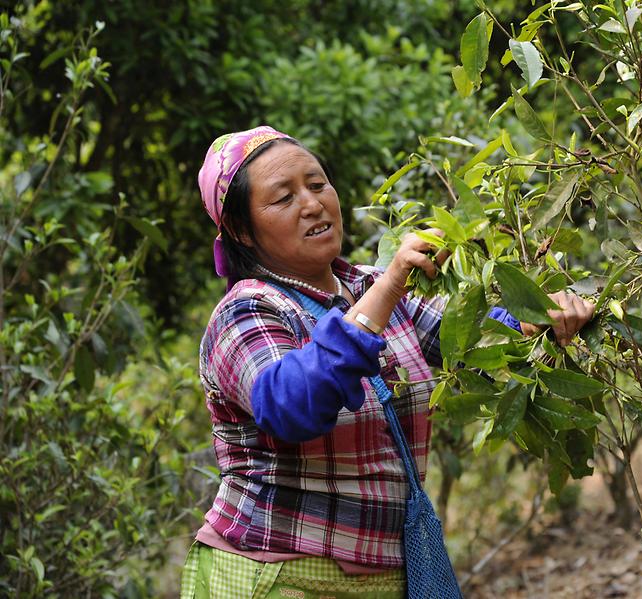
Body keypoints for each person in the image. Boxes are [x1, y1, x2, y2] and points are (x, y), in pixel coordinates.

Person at [181, 125, 596, 598]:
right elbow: (290, 405)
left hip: (382, 576)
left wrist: (540, 315)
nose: (313, 204)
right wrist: (389, 287)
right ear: (240, 229)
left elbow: (469, 340)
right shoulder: (246, 312)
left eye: (317, 185)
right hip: (274, 575)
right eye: (283, 198)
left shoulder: (368, 286)